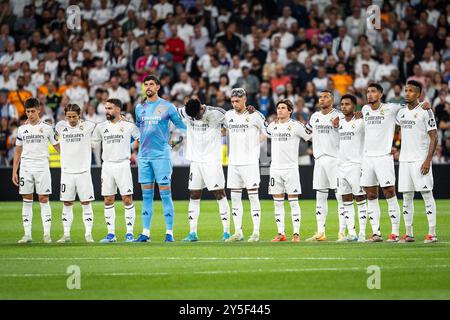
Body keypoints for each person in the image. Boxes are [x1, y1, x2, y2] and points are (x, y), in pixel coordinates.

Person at [360, 83, 429, 242]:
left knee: (389, 192)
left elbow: (410, 107)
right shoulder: (364, 110)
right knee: (370, 194)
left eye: (373, 92)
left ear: (381, 94)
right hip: (367, 158)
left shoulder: (392, 108)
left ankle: (395, 232)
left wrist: (424, 104)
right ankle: (376, 233)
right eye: (367, 92)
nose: (369, 94)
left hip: (384, 157)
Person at [133, 75, 186, 242]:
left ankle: (169, 233)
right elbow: (137, 130)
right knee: (146, 196)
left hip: (161, 156)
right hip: (144, 157)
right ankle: (145, 233)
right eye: (145, 84)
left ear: (158, 87)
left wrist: (176, 142)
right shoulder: (139, 107)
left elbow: (182, 127)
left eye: (151, 84)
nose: (148, 87)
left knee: (165, 194)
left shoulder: (167, 107)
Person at [177, 98, 231, 242]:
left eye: (197, 116)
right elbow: (171, 112)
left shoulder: (217, 113)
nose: (195, 118)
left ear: (202, 108)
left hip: (212, 160)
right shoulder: (185, 112)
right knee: (194, 195)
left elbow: (233, 122)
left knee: (219, 193)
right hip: (195, 161)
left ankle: (226, 232)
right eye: (192, 117)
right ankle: (192, 233)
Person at [11, 97, 60, 243]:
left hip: (42, 167)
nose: (30, 114)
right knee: (27, 199)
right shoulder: (22, 129)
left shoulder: (47, 128)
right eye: (28, 111)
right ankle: (27, 234)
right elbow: (18, 151)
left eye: (33, 111)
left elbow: (57, 147)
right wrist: (15, 170)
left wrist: (69, 159)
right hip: (25, 167)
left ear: (39, 110)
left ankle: (46, 234)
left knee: (44, 199)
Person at [92, 98, 140, 243]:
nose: (107, 111)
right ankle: (111, 234)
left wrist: (133, 150)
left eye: (110, 108)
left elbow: (140, 138)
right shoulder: (100, 127)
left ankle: (130, 233)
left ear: (118, 109)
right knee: (108, 199)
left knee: (127, 198)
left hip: (123, 165)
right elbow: (93, 143)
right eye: (106, 108)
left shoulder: (128, 126)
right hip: (107, 166)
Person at [397, 80, 438, 243]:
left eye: (411, 91)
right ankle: (408, 233)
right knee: (407, 196)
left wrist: (428, 160)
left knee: (427, 194)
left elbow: (434, 136)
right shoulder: (400, 112)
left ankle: (432, 233)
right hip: (405, 160)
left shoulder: (425, 111)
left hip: (420, 159)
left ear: (418, 94)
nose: (407, 93)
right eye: (406, 90)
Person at [224, 88, 267, 242]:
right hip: (233, 162)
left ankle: (256, 232)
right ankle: (238, 232)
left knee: (253, 197)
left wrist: (255, 142)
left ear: (244, 99)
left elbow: (267, 131)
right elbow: (224, 130)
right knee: (235, 198)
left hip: (250, 162)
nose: (234, 104)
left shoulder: (255, 115)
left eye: (237, 101)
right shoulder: (228, 116)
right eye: (232, 101)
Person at [304, 90, 346, 242]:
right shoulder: (314, 116)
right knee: (320, 197)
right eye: (320, 97)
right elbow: (307, 133)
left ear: (332, 99)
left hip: (335, 159)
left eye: (325, 97)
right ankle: (321, 232)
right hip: (319, 160)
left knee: (340, 197)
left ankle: (342, 232)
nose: (322, 99)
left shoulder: (340, 115)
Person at [266, 99, 310, 242]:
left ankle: (296, 234)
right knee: (277, 203)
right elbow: (263, 134)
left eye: (283, 108)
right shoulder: (272, 126)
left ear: (290, 110)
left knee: (293, 202)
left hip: (291, 169)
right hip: (275, 169)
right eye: (278, 107)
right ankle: (281, 233)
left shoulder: (296, 126)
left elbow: (310, 136)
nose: (280, 110)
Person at [54, 104, 96, 243]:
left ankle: (88, 234)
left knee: (86, 203)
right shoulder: (60, 126)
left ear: (80, 115)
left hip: (83, 171)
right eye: (69, 116)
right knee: (67, 203)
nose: (71, 119)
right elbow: (46, 129)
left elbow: (104, 126)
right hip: (66, 172)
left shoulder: (89, 126)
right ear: (65, 115)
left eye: (74, 116)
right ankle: (66, 234)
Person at [336, 94, 367, 242]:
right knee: (346, 200)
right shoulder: (339, 122)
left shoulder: (361, 121)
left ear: (354, 106)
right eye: (342, 104)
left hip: (356, 165)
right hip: (341, 167)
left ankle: (362, 234)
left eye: (347, 104)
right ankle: (352, 233)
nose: (343, 107)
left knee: (360, 199)